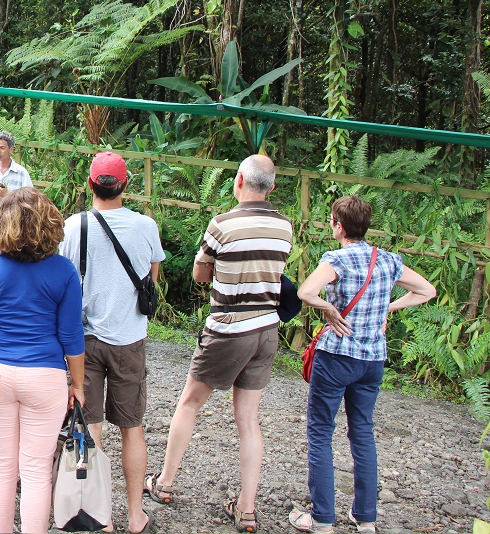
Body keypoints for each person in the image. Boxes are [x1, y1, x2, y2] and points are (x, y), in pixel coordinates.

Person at [149, 155, 292, 534]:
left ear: (239, 181)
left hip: (229, 328)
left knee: (190, 403)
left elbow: (200, 274)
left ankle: (164, 483)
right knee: (248, 419)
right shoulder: (285, 226)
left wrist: (207, 262)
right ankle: (246, 509)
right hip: (267, 330)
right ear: (272, 187)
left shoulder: (222, 224)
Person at [288, 196, 436, 534]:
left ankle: (323, 518)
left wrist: (329, 309)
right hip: (372, 359)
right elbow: (426, 291)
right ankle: (366, 518)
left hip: (337, 356)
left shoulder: (336, 258)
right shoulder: (388, 260)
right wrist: (388, 308)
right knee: (363, 434)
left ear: (339, 226)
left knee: (321, 432)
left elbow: (306, 292)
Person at [0, 187, 86, 534]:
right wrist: (77, 384)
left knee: (0, 466)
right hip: (44, 376)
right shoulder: (64, 271)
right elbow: (72, 335)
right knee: (36, 470)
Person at [59, 152, 164, 534]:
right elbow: (151, 276)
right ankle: (136, 516)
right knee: (132, 427)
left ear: (91, 184)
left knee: (92, 426)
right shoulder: (145, 226)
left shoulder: (73, 226)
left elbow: (65, 278)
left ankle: (100, 516)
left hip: (83, 340)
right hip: (129, 340)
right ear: (125, 185)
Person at [0, 131, 32, 203]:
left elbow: (30, 199)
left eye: (2, 148)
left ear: (11, 149)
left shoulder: (21, 173)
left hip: (13, 213)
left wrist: (7, 195)